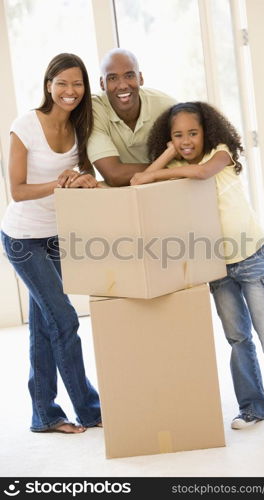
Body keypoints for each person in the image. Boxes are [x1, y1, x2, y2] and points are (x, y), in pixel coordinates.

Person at [130, 101, 264, 432]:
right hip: (215, 265)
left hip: (250, 257)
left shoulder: (221, 152)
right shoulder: (175, 162)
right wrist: (166, 155)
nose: (186, 141)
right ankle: (252, 408)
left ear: (207, 132)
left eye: (192, 133)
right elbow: (138, 182)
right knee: (237, 338)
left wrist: (160, 170)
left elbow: (200, 172)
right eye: (177, 136)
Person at [1, 53, 102, 434]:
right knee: (64, 318)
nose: (69, 91)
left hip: (57, 237)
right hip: (22, 239)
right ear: (48, 85)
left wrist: (83, 181)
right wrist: (59, 182)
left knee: (44, 325)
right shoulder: (25, 125)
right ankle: (89, 410)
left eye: (77, 84)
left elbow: (86, 175)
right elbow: (18, 190)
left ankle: (44, 414)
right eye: (62, 83)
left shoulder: (81, 128)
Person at [87, 48, 176, 186]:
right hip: (127, 194)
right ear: (102, 84)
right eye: (112, 78)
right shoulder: (93, 110)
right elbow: (114, 175)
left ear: (140, 78)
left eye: (129, 76)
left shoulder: (166, 106)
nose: (122, 85)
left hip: (168, 187)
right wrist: (175, 170)